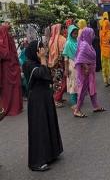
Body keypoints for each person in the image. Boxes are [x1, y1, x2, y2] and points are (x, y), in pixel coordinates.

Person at [23, 41, 63, 171]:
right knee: (39, 128)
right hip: (37, 101)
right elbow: (44, 74)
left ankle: (50, 154)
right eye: (41, 48)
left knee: (48, 124)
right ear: (35, 51)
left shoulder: (37, 62)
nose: (43, 50)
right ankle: (37, 162)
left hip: (45, 98)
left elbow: (49, 77)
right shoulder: (28, 64)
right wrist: (43, 59)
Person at [74, 28, 106, 118]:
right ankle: (77, 110)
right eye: (92, 34)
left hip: (90, 72)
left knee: (92, 89)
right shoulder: (85, 45)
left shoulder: (88, 44)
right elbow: (79, 58)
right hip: (86, 72)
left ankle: (96, 106)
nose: (93, 36)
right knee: (82, 91)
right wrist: (85, 66)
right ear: (87, 35)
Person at [0, 25, 23, 116]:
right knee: (13, 88)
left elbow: (4, 54)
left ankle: (10, 108)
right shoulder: (9, 40)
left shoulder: (3, 41)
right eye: (8, 31)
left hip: (7, 69)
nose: (10, 33)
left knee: (9, 89)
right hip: (11, 68)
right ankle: (16, 107)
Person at [48, 24, 66, 108]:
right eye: (63, 29)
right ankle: (56, 99)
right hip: (60, 64)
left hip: (52, 65)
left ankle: (58, 97)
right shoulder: (62, 39)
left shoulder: (51, 40)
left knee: (56, 81)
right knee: (62, 82)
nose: (64, 30)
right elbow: (64, 53)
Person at [62, 25, 79, 108]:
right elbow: (65, 58)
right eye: (74, 34)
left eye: (77, 33)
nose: (76, 35)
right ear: (70, 33)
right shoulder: (68, 43)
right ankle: (73, 103)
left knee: (77, 83)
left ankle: (77, 100)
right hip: (71, 65)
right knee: (72, 83)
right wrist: (66, 69)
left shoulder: (77, 41)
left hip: (78, 65)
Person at [99, 19, 110, 86]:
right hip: (109, 52)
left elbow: (100, 42)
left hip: (103, 52)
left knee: (104, 66)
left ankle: (105, 81)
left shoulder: (101, 32)